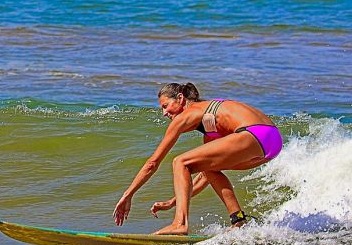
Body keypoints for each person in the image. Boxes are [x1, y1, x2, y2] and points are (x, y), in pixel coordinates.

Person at [112, 82, 283, 235]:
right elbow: (204, 176)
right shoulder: (210, 122)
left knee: (180, 161)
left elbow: (153, 163)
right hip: (272, 142)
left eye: (166, 106)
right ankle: (238, 220)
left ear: (180, 98)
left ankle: (180, 224)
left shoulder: (188, 114)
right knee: (210, 168)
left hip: (254, 133)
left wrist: (128, 195)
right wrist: (174, 201)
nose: (164, 113)